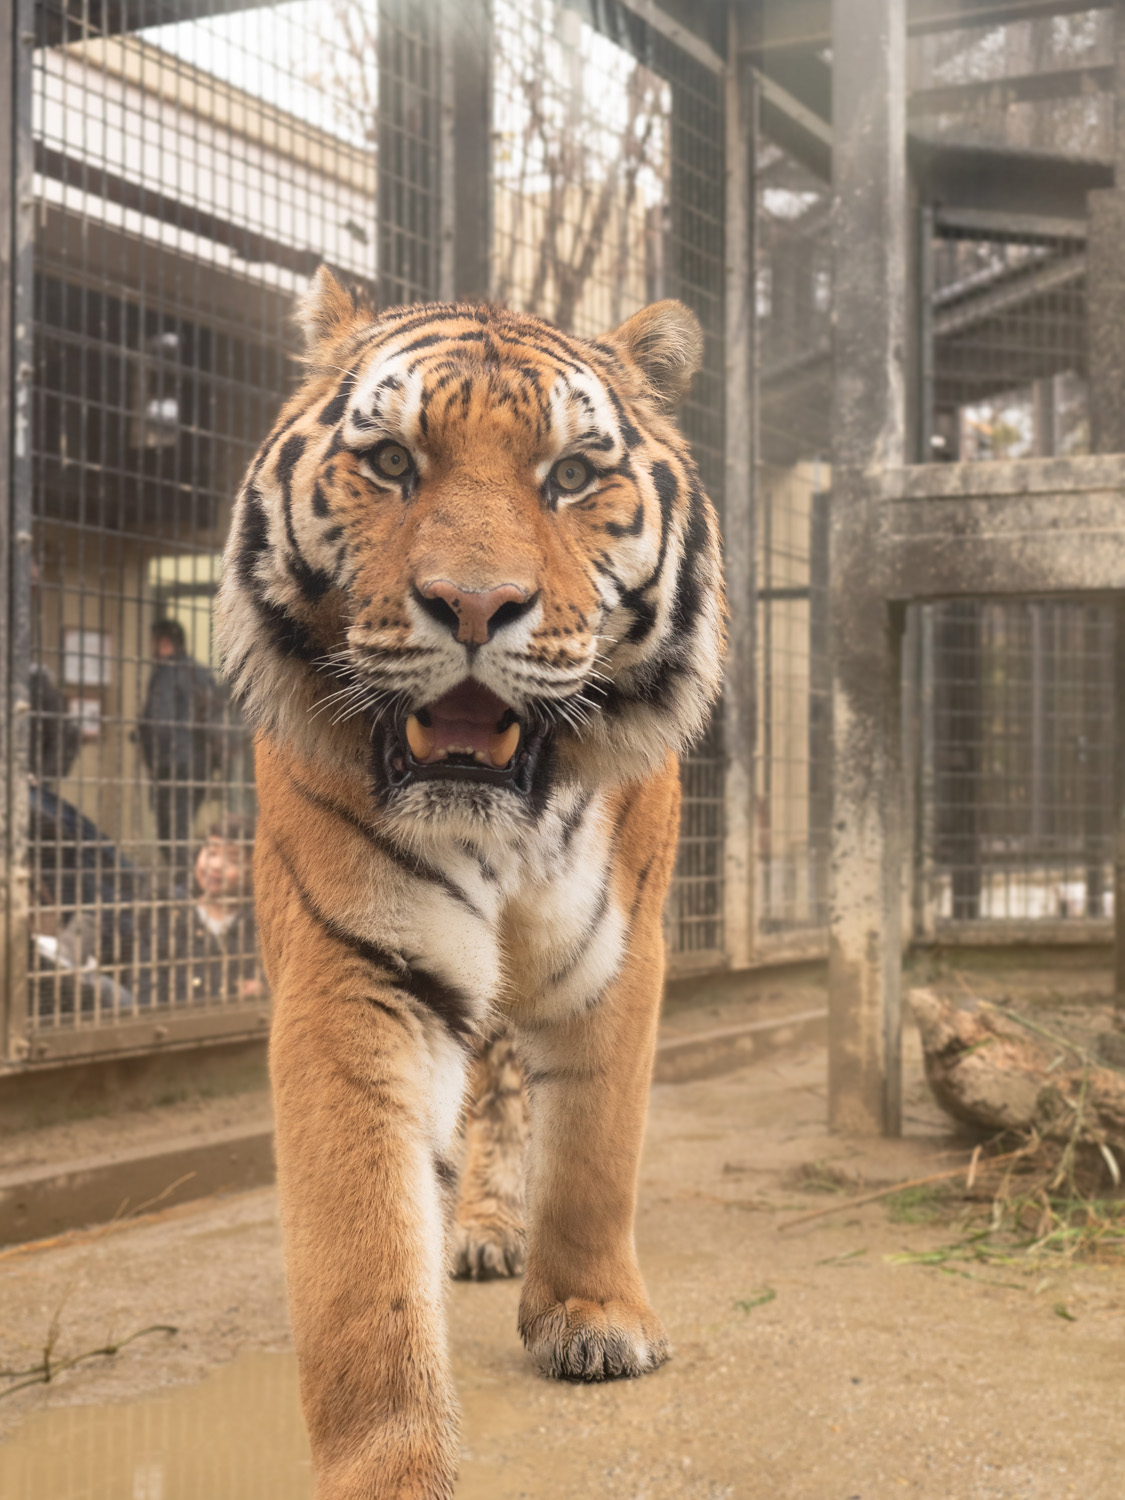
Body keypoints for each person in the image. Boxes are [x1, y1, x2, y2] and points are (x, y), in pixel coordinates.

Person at [137, 618, 225, 883]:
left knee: (170, 832)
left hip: (172, 762)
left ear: (164, 642)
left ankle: (185, 885)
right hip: (201, 763)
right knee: (184, 825)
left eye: (152, 642)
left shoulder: (165, 671)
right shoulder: (201, 672)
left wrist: (152, 758)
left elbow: (159, 722)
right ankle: (192, 879)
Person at [160, 815, 261, 1005]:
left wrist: (261, 990)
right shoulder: (170, 913)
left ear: (251, 871)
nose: (215, 866)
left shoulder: (257, 923)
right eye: (211, 853)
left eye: (232, 860)